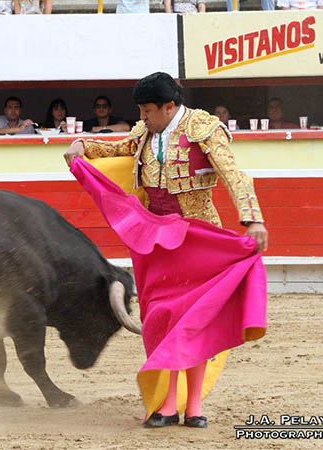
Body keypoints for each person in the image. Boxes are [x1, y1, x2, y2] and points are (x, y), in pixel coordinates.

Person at [64, 72, 268, 429]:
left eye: (147, 110)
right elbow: (118, 148)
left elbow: (234, 174)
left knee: (193, 322)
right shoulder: (145, 132)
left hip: (198, 239)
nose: (142, 117)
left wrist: (252, 218)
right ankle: (170, 403)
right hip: (156, 243)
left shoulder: (203, 127)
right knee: (161, 320)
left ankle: (192, 406)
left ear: (169, 106)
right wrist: (84, 145)